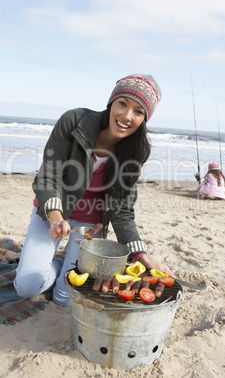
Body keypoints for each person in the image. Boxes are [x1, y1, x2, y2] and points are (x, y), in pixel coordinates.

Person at [14, 74, 173, 307]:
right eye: (123, 104)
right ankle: (57, 265)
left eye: (138, 111)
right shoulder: (73, 122)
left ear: (144, 119)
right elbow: (48, 177)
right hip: (51, 213)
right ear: (112, 102)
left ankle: (59, 266)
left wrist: (142, 256)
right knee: (26, 288)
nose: (127, 116)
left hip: (91, 225)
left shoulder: (134, 152)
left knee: (63, 299)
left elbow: (122, 211)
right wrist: (56, 218)